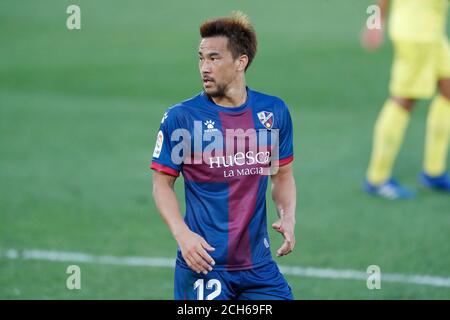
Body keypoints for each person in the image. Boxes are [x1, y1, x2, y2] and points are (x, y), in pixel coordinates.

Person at [150, 12, 296, 299]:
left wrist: (288, 216)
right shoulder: (182, 118)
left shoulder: (273, 113)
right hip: (204, 266)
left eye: (214, 58)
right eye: (201, 58)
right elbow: (161, 183)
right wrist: (182, 234)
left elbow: (282, 176)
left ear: (241, 62)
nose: (204, 67)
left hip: (259, 268)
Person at [362, 0, 450, 199]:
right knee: (404, 99)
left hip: (432, 32)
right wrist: (375, 23)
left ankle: (433, 172)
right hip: (417, 35)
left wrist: (375, 21)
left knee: (448, 90)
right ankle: (377, 179)